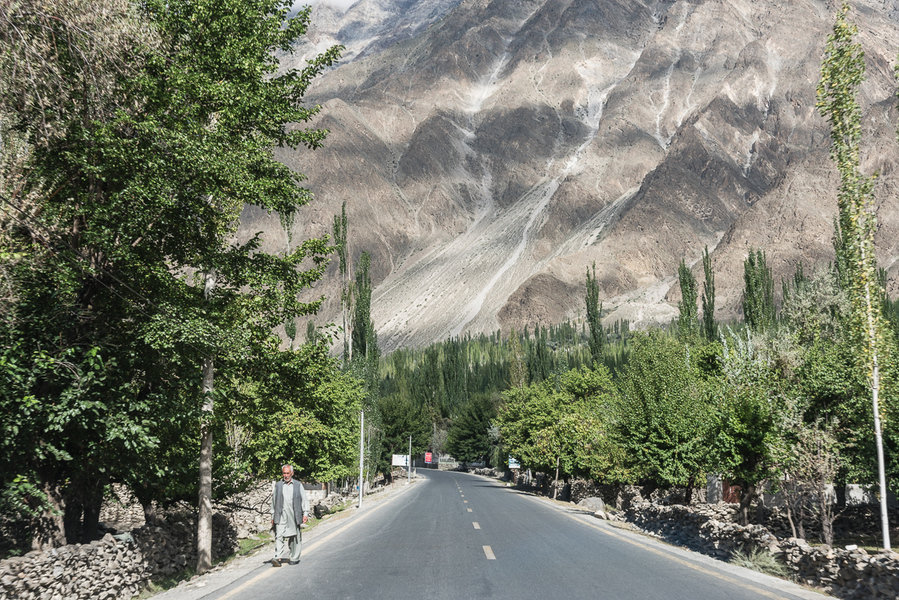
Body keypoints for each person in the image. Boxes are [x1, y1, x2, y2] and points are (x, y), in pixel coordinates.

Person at [270, 464, 309, 566]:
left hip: (294, 513)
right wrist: (272, 515)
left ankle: (294, 557)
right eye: (284, 473)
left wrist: (305, 513)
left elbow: (304, 500)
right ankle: (277, 557)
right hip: (281, 513)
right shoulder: (278, 485)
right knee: (279, 535)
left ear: (292, 473)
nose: (286, 475)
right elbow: (273, 501)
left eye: (288, 473)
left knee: (294, 537)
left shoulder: (298, 485)